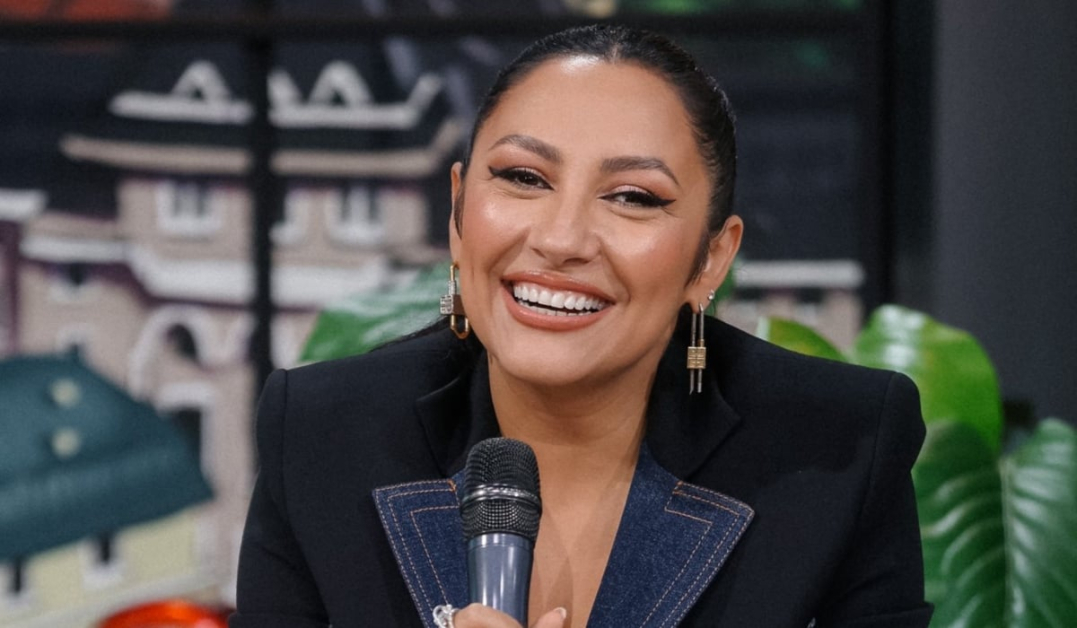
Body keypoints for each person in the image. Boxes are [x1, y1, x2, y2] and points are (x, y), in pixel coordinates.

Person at [231, 24, 931, 628]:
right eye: (524, 178)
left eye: (632, 197)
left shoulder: (836, 449)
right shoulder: (326, 435)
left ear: (711, 259)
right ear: (458, 212)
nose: (562, 239)